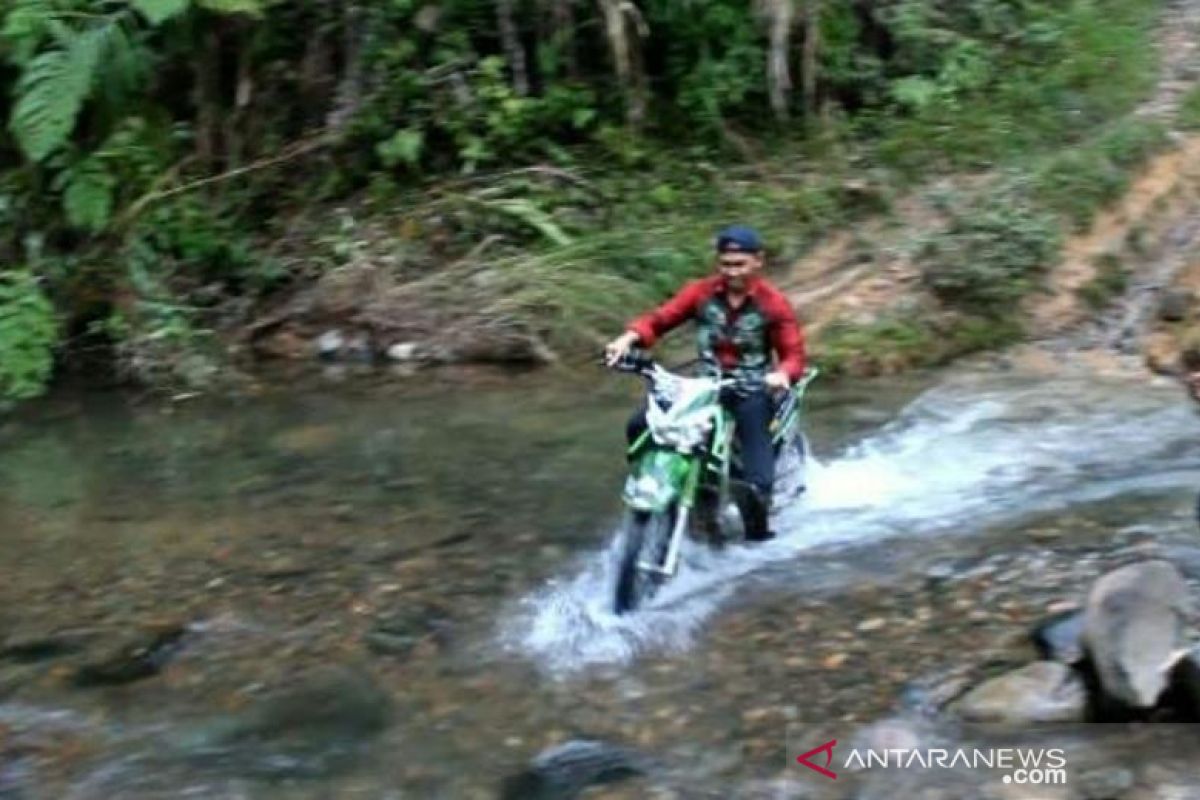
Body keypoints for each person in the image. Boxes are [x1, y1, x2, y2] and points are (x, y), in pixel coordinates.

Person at [604, 224, 806, 542]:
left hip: (751, 388)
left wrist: (781, 375)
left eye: (739, 264)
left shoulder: (773, 304)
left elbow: (793, 355)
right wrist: (627, 339)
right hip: (704, 385)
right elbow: (661, 318)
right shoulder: (700, 292)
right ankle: (660, 485)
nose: (731, 272)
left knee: (756, 477)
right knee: (640, 422)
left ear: (758, 261)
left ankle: (757, 530)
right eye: (725, 264)